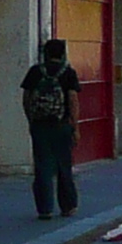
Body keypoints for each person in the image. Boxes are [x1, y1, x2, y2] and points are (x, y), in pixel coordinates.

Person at [21, 38, 83, 219]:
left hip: (40, 126)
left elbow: (26, 99)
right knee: (64, 166)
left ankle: (44, 209)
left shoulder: (35, 72)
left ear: (45, 53)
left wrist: (31, 120)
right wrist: (75, 126)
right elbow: (73, 100)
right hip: (62, 126)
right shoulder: (68, 73)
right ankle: (68, 206)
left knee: (42, 167)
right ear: (62, 54)